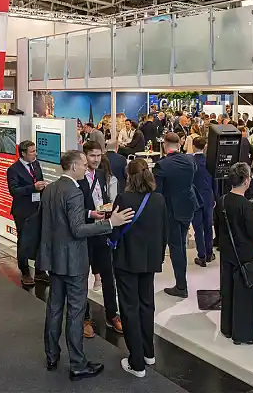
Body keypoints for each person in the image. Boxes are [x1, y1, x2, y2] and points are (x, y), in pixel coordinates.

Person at [38, 150, 133, 381]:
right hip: (73, 261)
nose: (86, 168)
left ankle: (52, 355)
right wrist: (111, 222)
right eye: (82, 164)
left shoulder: (51, 188)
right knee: (76, 312)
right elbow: (77, 230)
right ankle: (78, 364)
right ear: (73, 167)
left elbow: (58, 219)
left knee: (54, 308)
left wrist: (91, 213)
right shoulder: (74, 191)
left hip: (55, 259)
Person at [110, 159, 167, 378]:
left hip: (126, 261)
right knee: (147, 305)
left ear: (129, 177)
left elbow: (115, 230)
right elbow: (165, 232)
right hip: (150, 261)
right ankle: (148, 353)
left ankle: (137, 363)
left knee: (129, 309)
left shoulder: (123, 198)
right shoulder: (159, 199)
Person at [214, 162, 253, 345]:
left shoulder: (222, 200)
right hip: (244, 255)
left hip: (227, 252)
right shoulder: (246, 206)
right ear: (246, 180)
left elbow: (217, 225)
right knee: (244, 295)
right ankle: (243, 334)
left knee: (227, 289)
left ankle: (227, 327)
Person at [78, 141, 121, 334]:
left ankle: (112, 314)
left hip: (103, 230)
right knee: (82, 277)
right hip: (85, 232)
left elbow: (103, 199)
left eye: (99, 155)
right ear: (85, 156)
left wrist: (107, 210)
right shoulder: (78, 178)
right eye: (92, 156)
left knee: (107, 275)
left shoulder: (103, 175)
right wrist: (90, 214)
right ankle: (84, 318)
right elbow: (75, 208)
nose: (96, 159)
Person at [153, 132, 200, 298]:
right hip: (188, 206)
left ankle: (181, 286)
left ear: (165, 145)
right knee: (180, 244)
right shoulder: (190, 160)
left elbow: (157, 192)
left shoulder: (162, 165)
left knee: (176, 247)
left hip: (171, 210)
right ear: (179, 144)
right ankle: (182, 283)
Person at [8, 140, 48, 286]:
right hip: (23, 211)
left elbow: (40, 180)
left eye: (35, 151)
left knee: (40, 239)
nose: (35, 154)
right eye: (32, 152)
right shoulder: (13, 169)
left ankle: (40, 271)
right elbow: (14, 191)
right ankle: (25, 272)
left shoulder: (36, 165)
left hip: (38, 208)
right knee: (24, 241)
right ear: (23, 153)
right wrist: (33, 187)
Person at [191, 136, 219, 267]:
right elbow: (215, 181)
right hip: (208, 197)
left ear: (193, 146)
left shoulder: (190, 162)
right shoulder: (210, 162)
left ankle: (201, 255)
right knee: (208, 226)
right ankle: (209, 253)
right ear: (205, 146)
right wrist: (215, 197)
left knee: (197, 227)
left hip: (194, 198)